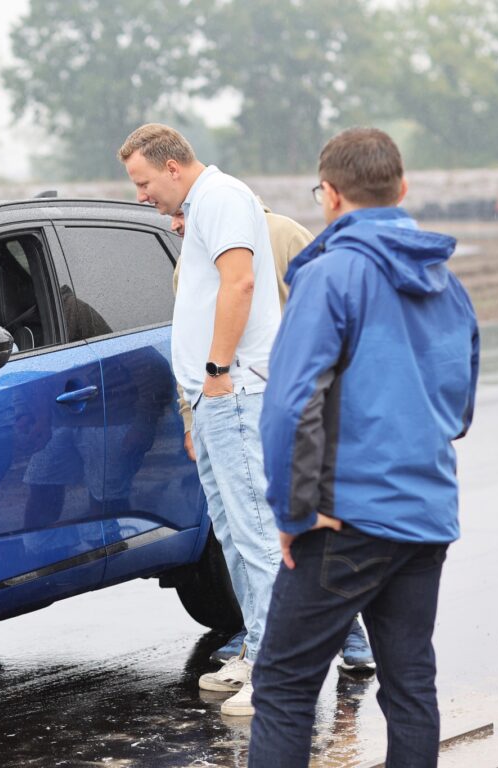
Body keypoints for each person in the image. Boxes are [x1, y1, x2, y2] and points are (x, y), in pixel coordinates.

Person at [249, 127, 479, 767]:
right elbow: (458, 411)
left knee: (285, 686)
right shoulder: (446, 284)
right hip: (425, 516)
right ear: (401, 189)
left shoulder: (330, 277)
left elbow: (290, 405)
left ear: (329, 195)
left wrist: (295, 513)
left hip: (343, 518)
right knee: (411, 688)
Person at [118, 123, 280, 717]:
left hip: (234, 391)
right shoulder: (201, 206)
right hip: (213, 400)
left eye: (143, 181)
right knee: (234, 535)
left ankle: (279, 672)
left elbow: (239, 281)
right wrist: (197, 399)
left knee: (255, 531)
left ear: (173, 167)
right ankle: (259, 649)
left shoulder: (221, 199)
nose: (141, 196)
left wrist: (216, 371)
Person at [171, 208, 376, 674]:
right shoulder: (190, 257)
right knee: (249, 526)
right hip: (226, 407)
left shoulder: (284, 235)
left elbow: (333, 316)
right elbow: (185, 340)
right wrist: (190, 418)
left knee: (305, 514)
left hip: (294, 402)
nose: (171, 223)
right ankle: (260, 627)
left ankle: (346, 625)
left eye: (179, 211)